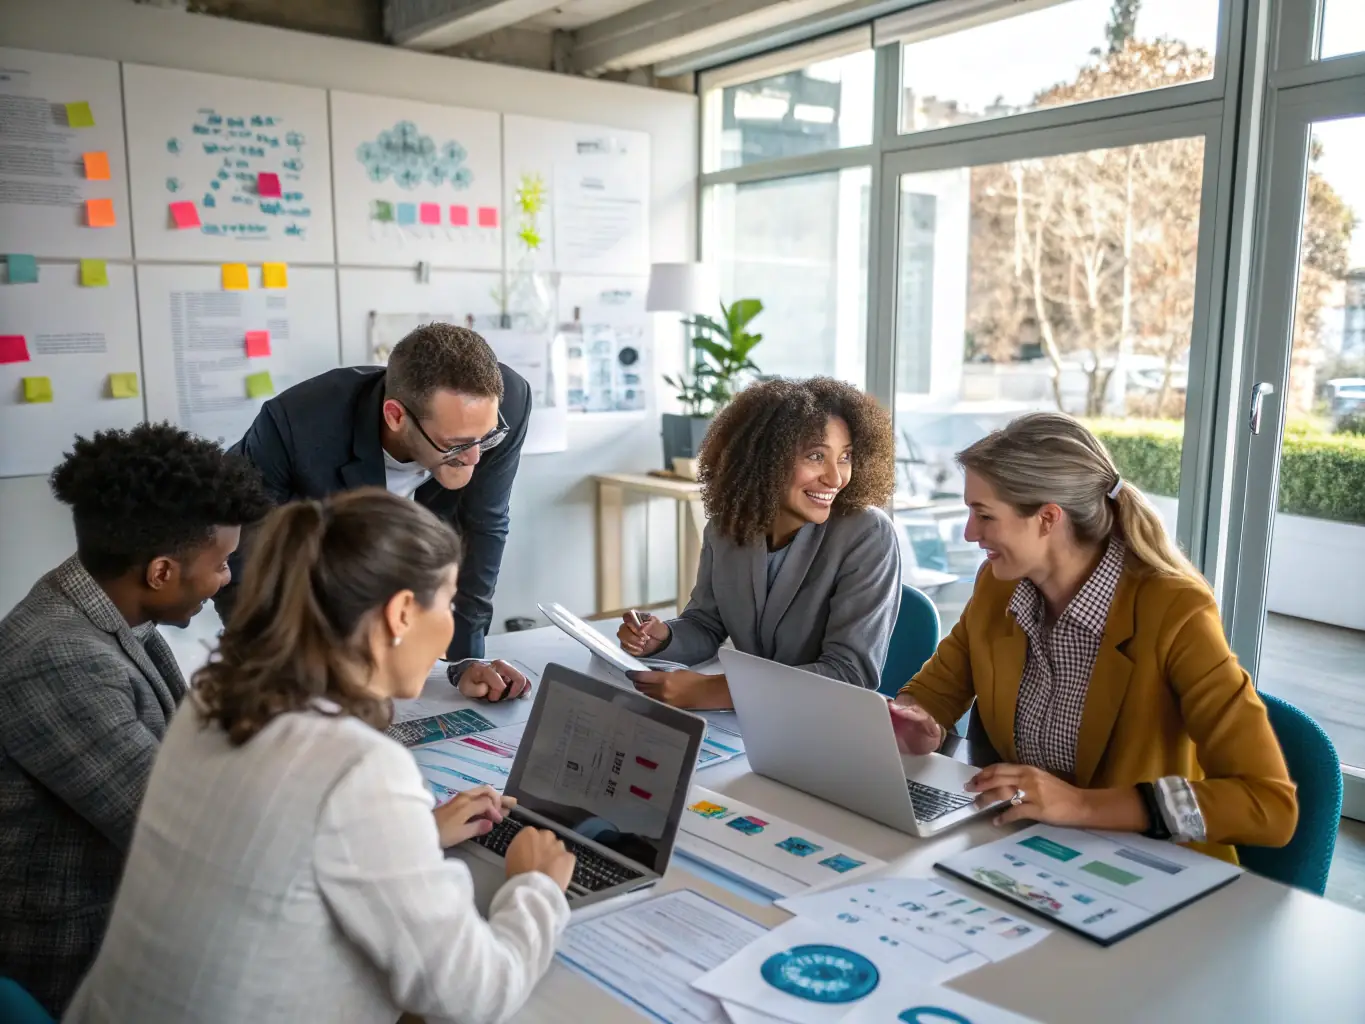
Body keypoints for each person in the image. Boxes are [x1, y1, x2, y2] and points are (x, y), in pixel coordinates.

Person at [66, 490, 576, 1024]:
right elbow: (473, 994)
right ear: (402, 612)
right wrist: (535, 887)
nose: (450, 625)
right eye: (447, 604)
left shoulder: (215, 700)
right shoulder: (359, 767)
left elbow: (286, 844)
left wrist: (413, 834)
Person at [890, 412, 1297, 862]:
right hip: (1023, 851)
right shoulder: (998, 585)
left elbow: (1268, 804)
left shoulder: (1176, 612)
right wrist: (916, 719)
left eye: (984, 515)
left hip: (1147, 866)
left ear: (1047, 518)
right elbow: (938, 689)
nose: (970, 534)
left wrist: (1081, 805)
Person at [0, 424, 269, 1016]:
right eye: (223, 562)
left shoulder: (105, 611)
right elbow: (188, 836)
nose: (227, 578)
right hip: (77, 964)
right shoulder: (59, 657)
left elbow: (172, 749)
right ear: (161, 572)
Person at [219, 323, 533, 702]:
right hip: (315, 584)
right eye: (457, 445)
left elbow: (483, 525)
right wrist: (275, 670)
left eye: (485, 439)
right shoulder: (297, 426)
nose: (475, 458)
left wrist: (465, 658)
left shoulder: (505, 405)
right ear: (396, 416)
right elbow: (240, 557)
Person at [619, 377, 901, 709]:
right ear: (765, 458)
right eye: (815, 456)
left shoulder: (867, 534)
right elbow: (705, 624)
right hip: (752, 722)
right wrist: (662, 638)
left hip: (823, 723)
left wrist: (717, 691)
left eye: (845, 457)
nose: (835, 477)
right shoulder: (726, 529)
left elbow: (849, 673)